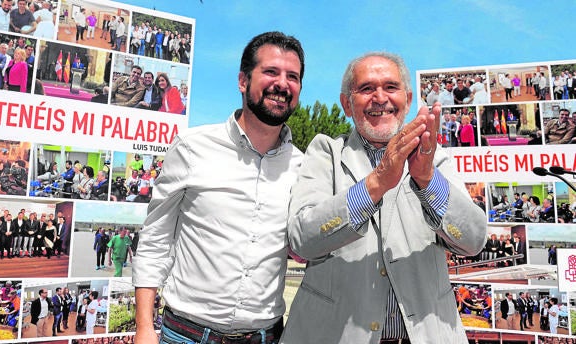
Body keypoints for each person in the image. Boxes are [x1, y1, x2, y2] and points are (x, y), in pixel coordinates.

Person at [280, 52, 486, 344]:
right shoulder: (326, 153)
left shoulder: (434, 160)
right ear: (346, 105)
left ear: (408, 98)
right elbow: (302, 238)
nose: (379, 98)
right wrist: (375, 184)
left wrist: (426, 181)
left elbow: (474, 239)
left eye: (391, 87)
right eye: (366, 89)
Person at [132, 31, 304, 344]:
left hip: (268, 337)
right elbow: (156, 236)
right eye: (270, 72)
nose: (282, 84)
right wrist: (144, 328)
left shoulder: (303, 167)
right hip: (185, 335)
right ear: (243, 81)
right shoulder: (191, 148)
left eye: (292, 76)